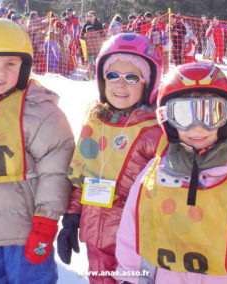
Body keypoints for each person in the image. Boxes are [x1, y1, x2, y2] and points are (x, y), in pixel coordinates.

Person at [114, 62, 227, 284]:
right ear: (167, 120)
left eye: (210, 114)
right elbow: (135, 231)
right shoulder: (153, 176)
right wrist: (132, 276)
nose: (198, 128)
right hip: (169, 276)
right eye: (184, 115)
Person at [0, 19, 75, 283]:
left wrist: (46, 222)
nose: (1, 73)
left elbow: (55, 172)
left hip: (26, 233)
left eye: (11, 63)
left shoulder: (40, 112)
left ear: (24, 66)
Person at [57, 33, 164, 284]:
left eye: (132, 77)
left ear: (148, 83)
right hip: (95, 236)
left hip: (134, 243)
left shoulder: (154, 132)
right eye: (113, 75)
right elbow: (82, 175)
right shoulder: (95, 121)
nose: (120, 84)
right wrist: (72, 218)